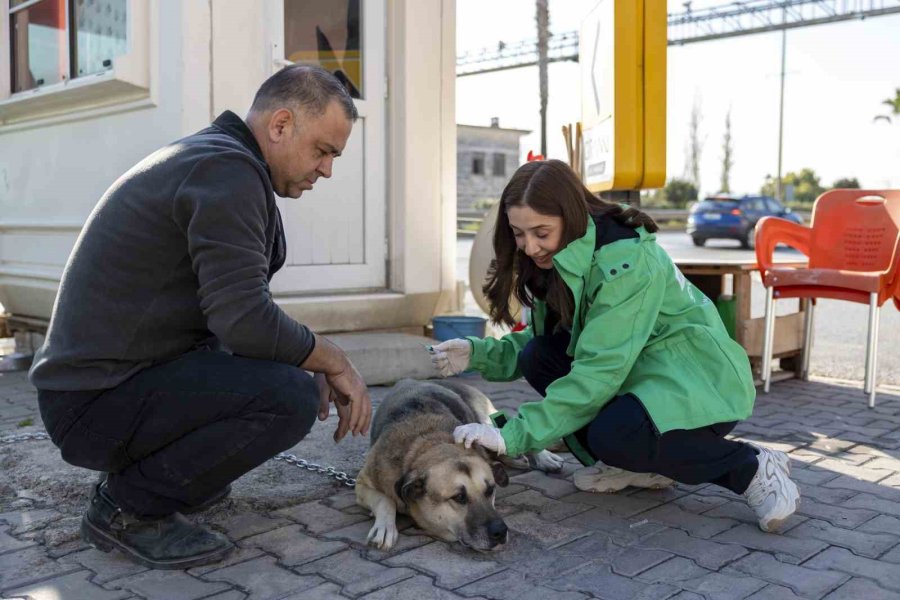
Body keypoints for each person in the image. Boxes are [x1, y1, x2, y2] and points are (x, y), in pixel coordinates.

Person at [29, 65, 373, 569]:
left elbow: (232, 315)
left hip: (99, 392)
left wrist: (301, 355)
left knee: (285, 375)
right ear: (280, 125)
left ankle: (157, 478)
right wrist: (330, 360)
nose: (326, 170)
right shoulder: (227, 172)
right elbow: (245, 321)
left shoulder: (217, 160)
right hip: (92, 406)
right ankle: (129, 508)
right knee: (289, 395)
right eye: (323, 151)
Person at [431, 159, 799, 533]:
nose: (528, 247)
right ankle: (636, 464)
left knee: (616, 434)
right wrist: (478, 353)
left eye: (541, 232)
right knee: (537, 357)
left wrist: (513, 436)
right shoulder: (560, 258)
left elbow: (599, 371)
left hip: (700, 385)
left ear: (570, 217)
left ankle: (751, 468)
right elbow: (556, 341)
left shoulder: (624, 262)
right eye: (519, 234)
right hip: (641, 376)